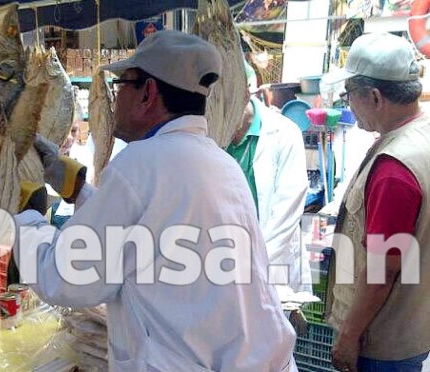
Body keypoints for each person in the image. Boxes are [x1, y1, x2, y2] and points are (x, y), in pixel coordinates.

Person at [15, 30, 296, 371]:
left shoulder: (141, 163)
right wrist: (74, 187)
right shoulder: (220, 163)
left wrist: (25, 215)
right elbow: (140, 236)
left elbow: (67, 279)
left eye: (121, 87)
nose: (116, 99)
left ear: (147, 92)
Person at [322, 32, 430, 372]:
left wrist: (348, 337)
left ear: (374, 96)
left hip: (380, 345)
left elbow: (383, 269)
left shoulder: (395, 169)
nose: (348, 105)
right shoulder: (422, 134)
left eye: (349, 95)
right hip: (413, 327)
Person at [227, 95, 311, 293]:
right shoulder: (216, 136)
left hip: (274, 260)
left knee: (274, 316)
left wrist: (257, 267)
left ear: (243, 91)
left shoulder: (285, 133)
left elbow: (287, 211)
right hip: (226, 260)